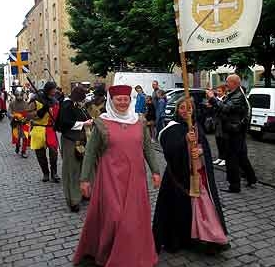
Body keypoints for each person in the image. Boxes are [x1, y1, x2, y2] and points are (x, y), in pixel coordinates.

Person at [74, 85, 161, 267]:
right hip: (110, 179)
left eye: (125, 99)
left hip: (135, 179)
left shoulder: (139, 121)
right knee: (114, 217)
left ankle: (130, 255)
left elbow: (147, 148)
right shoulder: (102, 122)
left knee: (132, 219)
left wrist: (155, 171)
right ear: (111, 101)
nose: (122, 102)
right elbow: (90, 152)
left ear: (130, 100)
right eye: (118, 99)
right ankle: (106, 252)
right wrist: (84, 179)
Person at [153, 97, 229, 255]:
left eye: (189, 107)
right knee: (177, 209)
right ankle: (178, 239)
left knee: (204, 208)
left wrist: (200, 151)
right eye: (182, 107)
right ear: (177, 110)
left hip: (197, 175)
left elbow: (205, 148)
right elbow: (169, 152)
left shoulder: (196, 126)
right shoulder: (171, 128)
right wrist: (184, 142)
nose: (185, 110)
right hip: (178, 177)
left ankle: (206, 237)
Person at [207, 74, 257, 193]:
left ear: (234, 83)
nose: (226, 84)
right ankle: (251, 178)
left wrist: (212, 98)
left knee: (231, 159)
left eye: (227, 82)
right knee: (241, 157)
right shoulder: (235, 94)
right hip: (234, 130)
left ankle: (234, 186)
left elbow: (226, 109)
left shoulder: (238, 96)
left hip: (234, 132)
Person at [60, 87, 93, 213]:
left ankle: (83, 193)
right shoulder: (67, 105)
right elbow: (64, 123)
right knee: (72, 170)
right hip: (70, 141)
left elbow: (86, 116)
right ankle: (73, 200)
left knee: (83, 168)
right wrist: (83, 124)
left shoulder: (79, 105)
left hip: (83, 140)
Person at [29, 82, 60, 183]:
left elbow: (57, 115)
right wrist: (42, 110)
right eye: (53, 89)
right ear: (48, 89)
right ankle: (45, 173)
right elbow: (29, 115)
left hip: (50, 129)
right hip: (38, 129)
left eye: (55, 89)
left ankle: (54, 173)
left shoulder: (55, 101)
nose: (55, 91)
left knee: (54, 153)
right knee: (40, 155)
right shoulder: (36, 99)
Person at [8, 87, 30, 158]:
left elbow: (29, 113)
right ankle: (17, 146)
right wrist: (14, 116)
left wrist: (26, 118)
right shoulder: (12, 103)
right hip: (15, 122)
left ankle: (23, 151)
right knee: (17, 137)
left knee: (25, 137)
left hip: (24, 122)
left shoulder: (26, 103)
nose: (19, 96)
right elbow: (9, 112)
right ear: (15, 95)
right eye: (18, 95)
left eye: (21, 94)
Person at [213, 85, 227, 167]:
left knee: (224, 142)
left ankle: (225, 158)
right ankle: (220, 157)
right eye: (217, 91)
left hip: (223, 124)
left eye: (219, 91)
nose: (217, 93)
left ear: (224, 92)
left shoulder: (225, 99)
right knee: (218, 141)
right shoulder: (215, 100)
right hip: (217, 123)